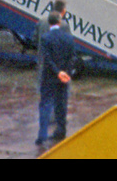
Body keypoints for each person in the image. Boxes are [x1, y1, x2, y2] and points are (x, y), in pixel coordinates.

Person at [36, 9, 76, 146]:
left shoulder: (45, 37)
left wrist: (56, 71)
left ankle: (42, 134)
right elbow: (72, 58)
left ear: (49, 21)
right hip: (63, 76)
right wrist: (66, 73)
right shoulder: (69, 37)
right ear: (59, 21)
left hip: (49, 75)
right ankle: (61, 130)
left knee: (45, 103)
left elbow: (46, 58)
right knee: (62, 102)